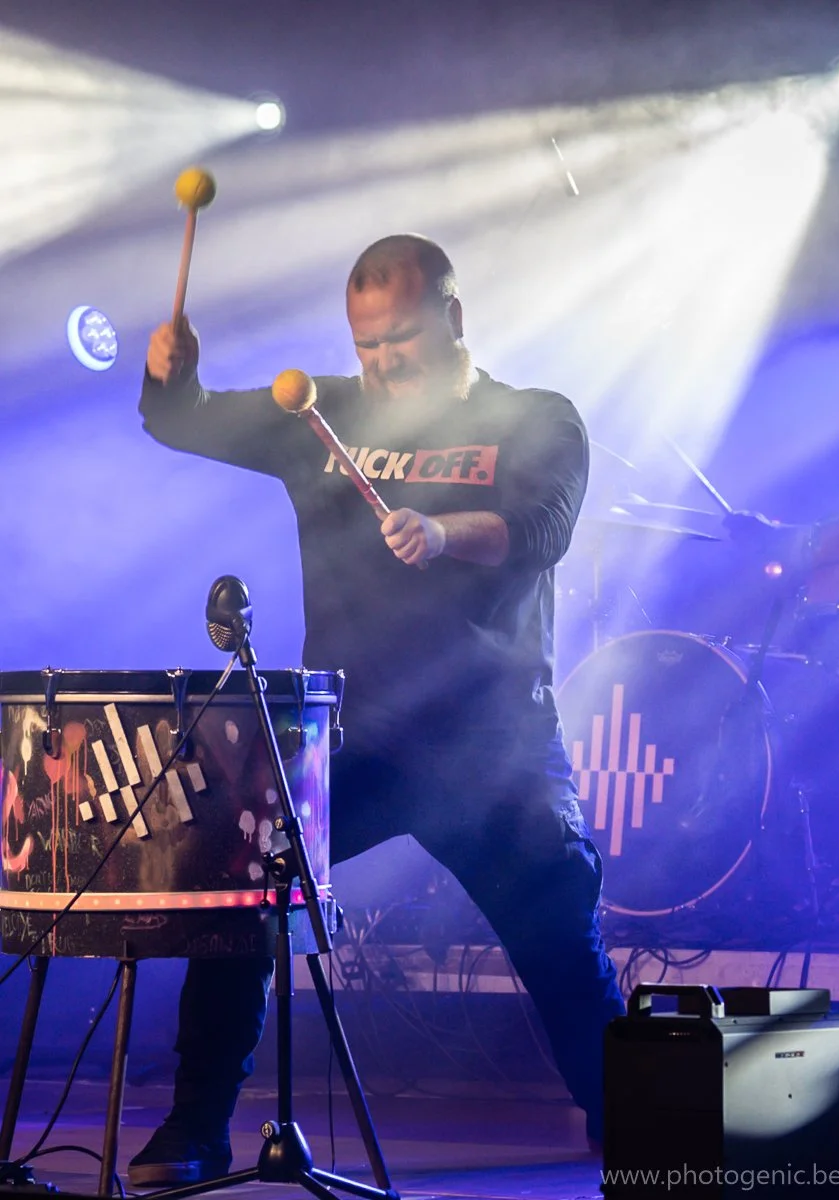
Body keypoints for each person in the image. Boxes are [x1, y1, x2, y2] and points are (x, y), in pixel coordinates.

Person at [129, 234, 625, 1187]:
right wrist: (171, 383)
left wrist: (441, 532)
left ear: (453, 316)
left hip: (490, 744)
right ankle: (194, 1129)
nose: (380, 361)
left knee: (560, 940)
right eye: (365, 344)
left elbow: (540, 532)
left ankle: (629, 1114)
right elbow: (181, 423)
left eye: (398, 339)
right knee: (247, 900)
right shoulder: (321, 410)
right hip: (351, 738)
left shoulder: (534, 419)